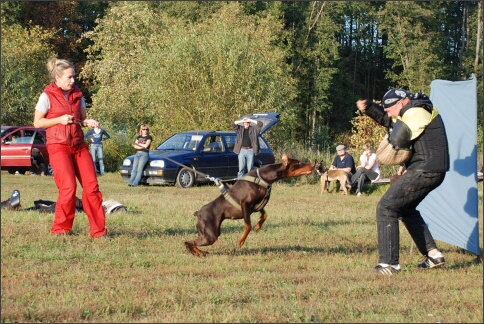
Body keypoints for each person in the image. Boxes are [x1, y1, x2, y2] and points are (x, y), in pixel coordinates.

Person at [356, 88, 449, 275]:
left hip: (425, 170)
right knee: (405, 209)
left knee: (386, 207)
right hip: (428, 168)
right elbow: (390, 121)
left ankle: (389, 265)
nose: (388, 112)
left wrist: (387, 155)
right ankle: (433, 255)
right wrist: (369, 108)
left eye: (388, 108)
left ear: (400, 103)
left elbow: (396, 139)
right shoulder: (412, 109)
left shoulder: (416, 112)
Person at [33, 57, 108, 238]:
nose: (73, 81)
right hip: (58, 146)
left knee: (92, 187)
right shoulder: (47, 96)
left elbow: (81, 119)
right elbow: (37, 123)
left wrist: (87, 122)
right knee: (68, 188)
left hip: (79, 145)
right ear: (57, 78)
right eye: (69, 77)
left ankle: (99, 231)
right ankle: (61, 229)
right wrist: (59, 119)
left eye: (74, 77)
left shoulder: (77, 94)